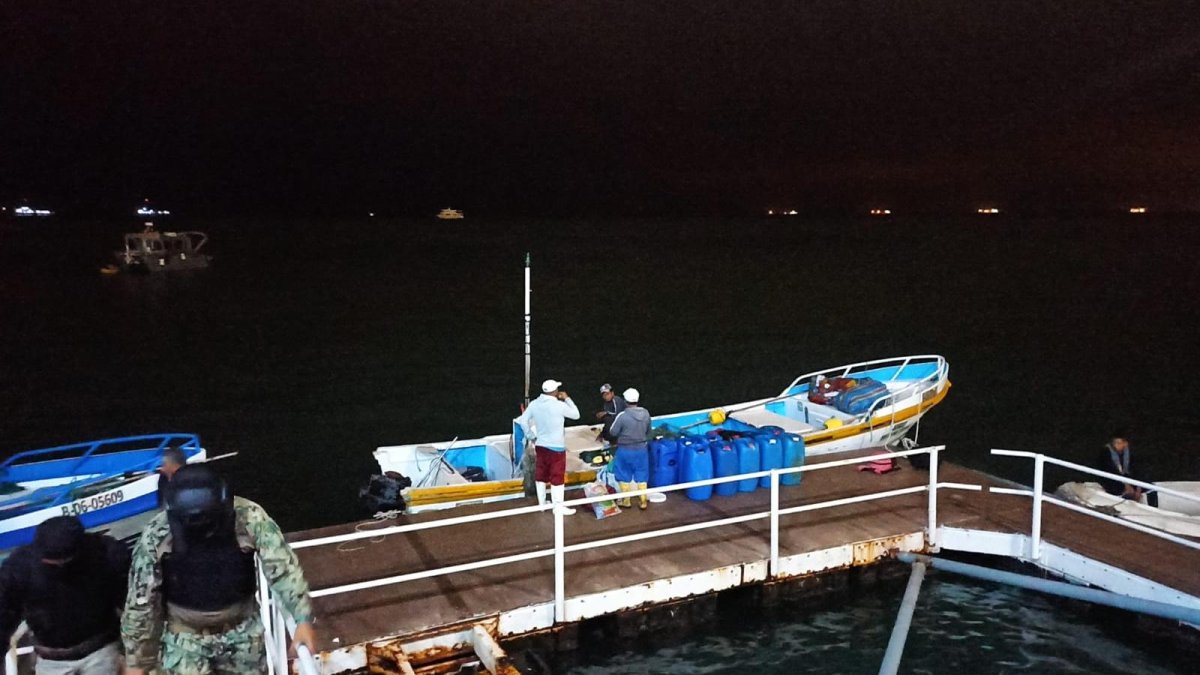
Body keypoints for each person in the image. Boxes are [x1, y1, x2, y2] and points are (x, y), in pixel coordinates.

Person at [121, 465, 316, 674]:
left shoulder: (248, 517)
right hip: (185, 640)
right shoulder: (157, 534)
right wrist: (138, 661)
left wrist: (302, 619)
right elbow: (142, 600)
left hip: (242, 634)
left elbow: (282, 567)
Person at [0, 516, 130, 674]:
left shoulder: (108, 554)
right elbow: (4, 616)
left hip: (101, 651)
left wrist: (133, 656)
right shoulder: (19, 568)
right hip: (50, 658)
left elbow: (132, 604)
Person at [516, 379, 581, 515]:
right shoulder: (559, 405)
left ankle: (542, 504)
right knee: (557, 477)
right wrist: (567, 399)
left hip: (541, 445)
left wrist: (530, 436)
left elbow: (523, 421)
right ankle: (558, 507)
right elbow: (576, 415)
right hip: (556, 448)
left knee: (541, 475)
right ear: (555, 391)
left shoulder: (534, 404)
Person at [609, 388, 652, 510]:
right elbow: (649, 431)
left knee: (623, 473)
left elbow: (613, 432)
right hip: (641, 450)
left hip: (625, 450)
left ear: (625, 401)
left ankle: (626, 501)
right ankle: (643, 501)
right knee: (642, 473)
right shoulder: (646, 413)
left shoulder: (622, 416)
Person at [1096, 430, 1158, 508]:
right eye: (1115, 443)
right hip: (1112, 479)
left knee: (1152, 488)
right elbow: (1110, 470)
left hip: (1128, 478)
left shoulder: (1130, 452)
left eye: (1119, 443)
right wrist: (1126, 485)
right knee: (1121, 491)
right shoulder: (1106, 452)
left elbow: (1137, 468)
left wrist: (1139, 487)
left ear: (1125, 443)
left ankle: (1154, 510)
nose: (1117, 445)